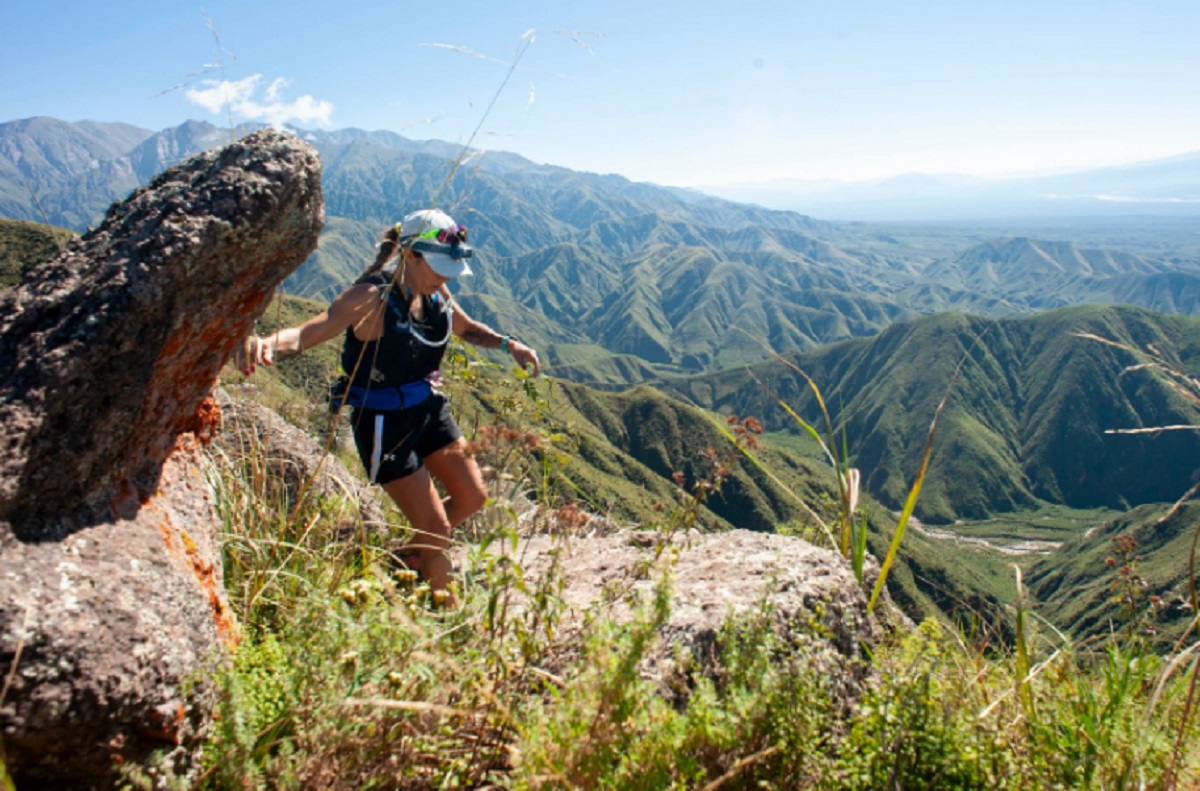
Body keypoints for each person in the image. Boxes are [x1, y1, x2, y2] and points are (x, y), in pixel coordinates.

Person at [233, 208, 540, 605]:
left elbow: (464, 328)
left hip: (429, 408)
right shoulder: (370, 298)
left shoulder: (436, 292)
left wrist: (507, 343)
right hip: (384, 422)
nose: (446, 276)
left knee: (473, 498)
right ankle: (443, 616)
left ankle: (401, 559)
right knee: (437, 526)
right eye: (438, 266)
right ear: (410, 254)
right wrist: (264, 345)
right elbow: (309, 332)